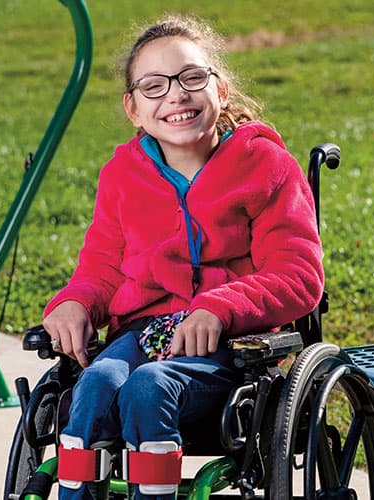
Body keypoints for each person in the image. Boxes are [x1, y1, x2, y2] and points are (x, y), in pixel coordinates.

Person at [39, 14, 323, 500]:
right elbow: (103, 267)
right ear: (132, 108)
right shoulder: (122, 176)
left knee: (149, 386)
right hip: (142, 335)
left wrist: (219, 306)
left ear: (222, 89)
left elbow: (298, 276)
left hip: (232, 351)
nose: (176, 95)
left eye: (192, 78)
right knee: (97, 380)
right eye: (154, 86)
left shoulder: (267, 167)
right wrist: (75, 302)